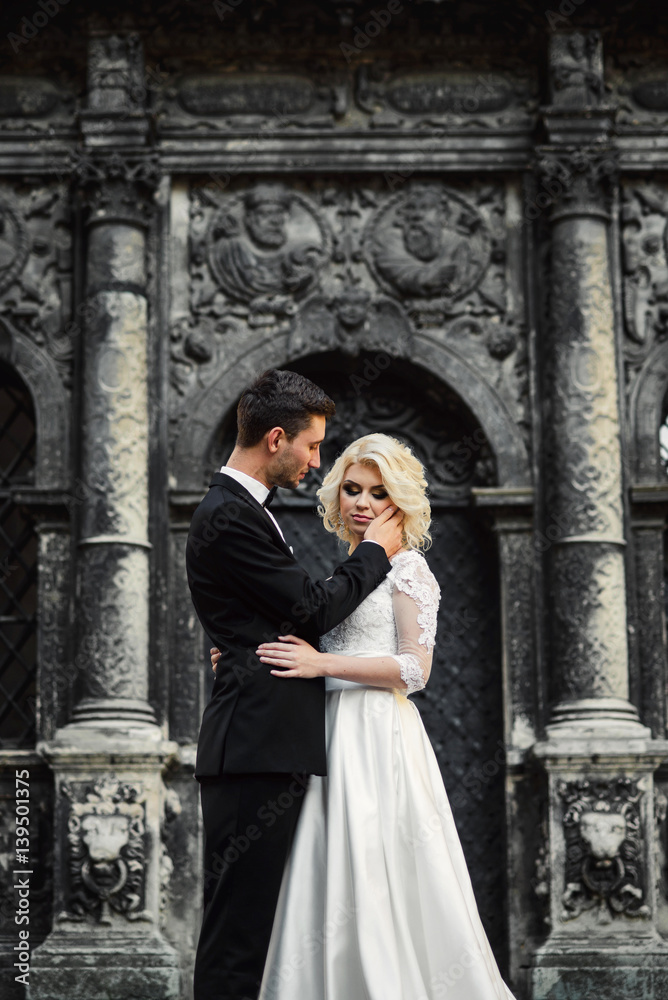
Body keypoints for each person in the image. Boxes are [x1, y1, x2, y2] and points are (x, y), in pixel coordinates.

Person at [211, 432, 517, 1000]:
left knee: (379, 868)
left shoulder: (408, 572)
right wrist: (242, 655)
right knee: (325, 869)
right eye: (352, 489)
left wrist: (321, 661)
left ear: (398, 501)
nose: (362, 503)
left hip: (377, 734)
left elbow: (414, 669)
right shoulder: (347, 570)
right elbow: (300, 645)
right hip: (324, 733)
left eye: (378, 493)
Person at [186, 370, 404, 1000]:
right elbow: (309, 608)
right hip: (253, 747)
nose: (317, 460)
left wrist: (242, 645)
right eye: (312, 446)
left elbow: (269, 613)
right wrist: (375, 552)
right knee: (238, 936)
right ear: (276, 438)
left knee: (255, 928)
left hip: (266, 741)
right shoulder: (230, 516)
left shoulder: (244, 511)